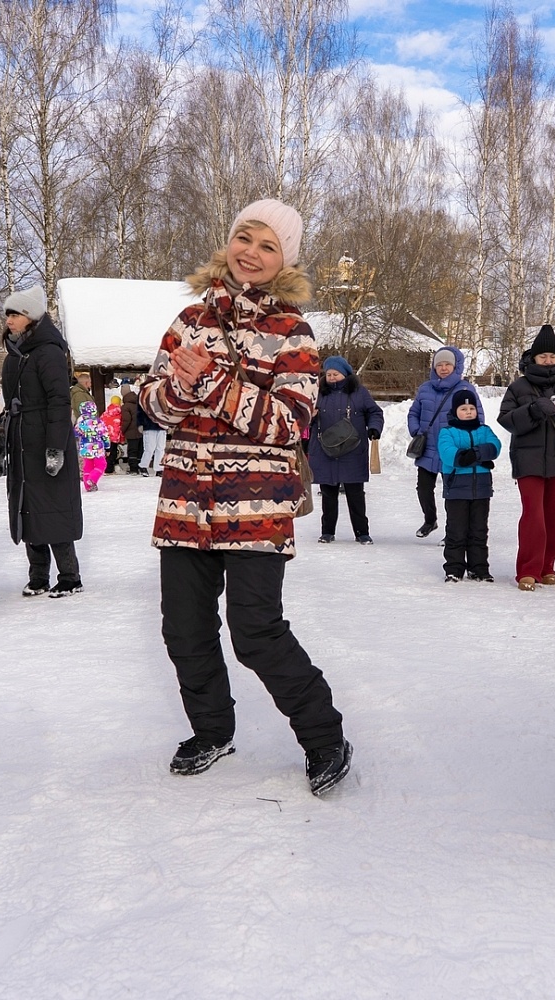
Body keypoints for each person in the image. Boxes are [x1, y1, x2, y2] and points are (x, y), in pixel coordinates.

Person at [139, 197, 351, 797]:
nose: (251, 253)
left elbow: (289, 424)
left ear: (284, 260)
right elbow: (152, 410)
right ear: (227, 242)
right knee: (184, 629)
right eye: (244, 238)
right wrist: (178, 385)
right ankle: (211, 730)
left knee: (256, 631)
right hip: (184, 502)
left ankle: (324, 737)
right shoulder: (187, 321)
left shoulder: (294, 332)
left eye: (267, 246)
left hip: (256, 508)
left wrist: (210, 380)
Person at [0, 284, 84, 597]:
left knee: (54, 508)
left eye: (16, 314)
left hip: (45, 440)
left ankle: (70, 577)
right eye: (8, 313)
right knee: (28, 510)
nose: (9, 319)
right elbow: (11, 403)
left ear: (32, 318)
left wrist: (55, 447)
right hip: (22, 443)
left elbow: (59, 401)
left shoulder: (47, 351)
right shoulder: (15, 355)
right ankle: (38, 576)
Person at [498, 324, 555, 590]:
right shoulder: (518, 386)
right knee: (533, 515)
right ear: (533, 358)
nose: (548, 360)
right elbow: (507, 420)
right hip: (528, 460)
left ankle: (548, 566)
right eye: (543, 356)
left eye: (552, 357)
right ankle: (528, 569)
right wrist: (534, 410)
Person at [306, 355, 384, 544]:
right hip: (325, 449)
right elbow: (302, 415)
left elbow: (375, 412)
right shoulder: (317, 393)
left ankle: (362, 532)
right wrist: (310, 415)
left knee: (355, 494)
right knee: (328, 494)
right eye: (329, 374)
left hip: (352, 449)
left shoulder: (359, 392)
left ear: (346, 374)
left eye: (336, 374)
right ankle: (327, 531)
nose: (331, 377)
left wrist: (374, 428)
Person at [407, 345, 478, 537]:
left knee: (452, 493)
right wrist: (416, 430)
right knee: (423, 489)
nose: (444, 368)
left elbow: (476, 416)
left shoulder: (465, 389)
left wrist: (463, 439)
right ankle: (430, 520)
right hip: (428, 448)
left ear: (455, 367)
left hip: (452, 450)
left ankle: (452, 531)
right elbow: (414, 412)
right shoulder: (425, 389)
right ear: (434, 367)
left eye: (448, 364)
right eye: (440, 364)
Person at [436, 389, 501, 582]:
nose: (469, 412)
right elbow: (448, 453)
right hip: (456, 490)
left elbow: (494, 446)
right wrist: (473, 457)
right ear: (455, 411)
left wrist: (474, 454)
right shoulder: (447, 432)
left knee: (479, 531)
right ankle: (454, 569)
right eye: (463, 408)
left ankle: (479, 568)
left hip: (481, 490)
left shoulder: (484, 430)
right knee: (456, 531)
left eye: (471, 408)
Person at [74, 400, 110, 492]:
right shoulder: (99, 422)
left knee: (88, 466)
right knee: (101, 464)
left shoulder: (80, 424)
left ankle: (88, 486)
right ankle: (92, 479)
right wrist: (107, 446)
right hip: (97, 448)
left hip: (85, 448)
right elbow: (105, 435)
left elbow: (75, 434)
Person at [137, 393, 166, 476]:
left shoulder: (164, 394)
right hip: (149, 425)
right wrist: (140, 424)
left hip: (162, 425)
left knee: (160, 448)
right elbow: (140, 411)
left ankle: (159, 468)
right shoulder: (145, 394)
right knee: (149, 448)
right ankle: (143, 466)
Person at [120, 383, 144, 472]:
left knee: (132, 451)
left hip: (131, 432)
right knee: (140, 450)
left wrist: (122, 430)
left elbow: (127, 420)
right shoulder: (138, 403)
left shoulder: (125, 406)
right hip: (141, 430)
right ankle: (140, 467)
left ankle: (133, 469)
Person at [102, 394, 125, 473]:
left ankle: (105, 467)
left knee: (106, 453)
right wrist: (122, 439)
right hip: (114, 437)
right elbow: (121, 427)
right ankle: (109, 469)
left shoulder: (105, 413)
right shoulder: (120, 414)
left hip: (105, 437)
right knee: (113, 453)